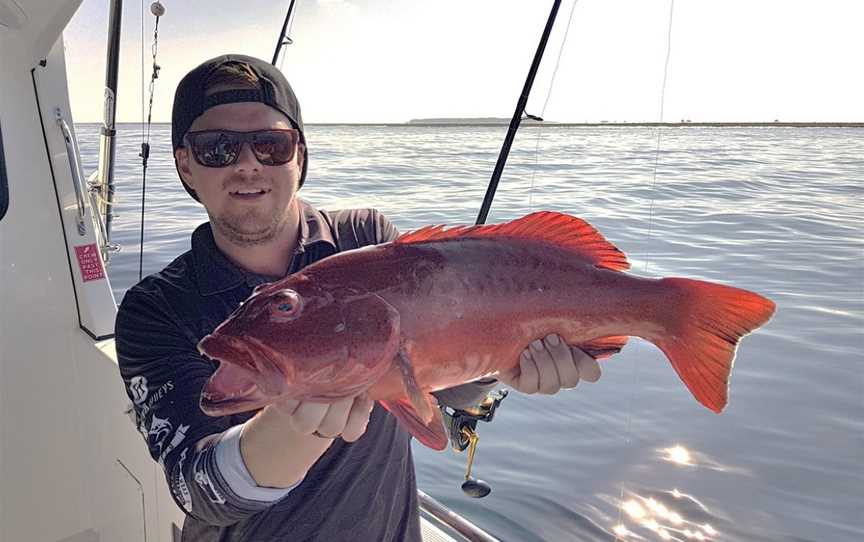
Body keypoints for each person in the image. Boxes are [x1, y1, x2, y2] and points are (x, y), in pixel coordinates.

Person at [115, 54, 601, 542]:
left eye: (270, 144)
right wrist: (297, 422)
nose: (247, 165)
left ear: (299, 156)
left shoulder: (364, 238)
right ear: (185, 166)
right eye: (217, 148)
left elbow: (434, 384)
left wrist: (504, 364)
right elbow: (197, 490)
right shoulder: (153, 310)